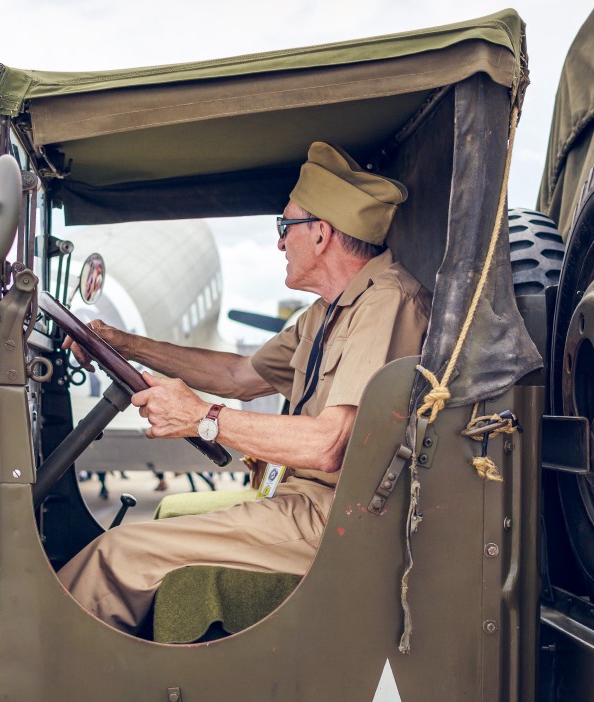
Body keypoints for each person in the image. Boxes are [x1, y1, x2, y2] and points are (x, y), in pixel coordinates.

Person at [58, 141, 431, 633]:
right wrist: (122, 343)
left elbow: (330, 445)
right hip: (301, 503)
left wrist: (202, 420)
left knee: (114, 556)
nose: (279, 243)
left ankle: (41, 691)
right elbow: (238, 376)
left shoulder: (387, 303)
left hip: (335, 523)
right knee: (165, 516)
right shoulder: (326, 311)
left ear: (320, 235)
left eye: (286, 227)